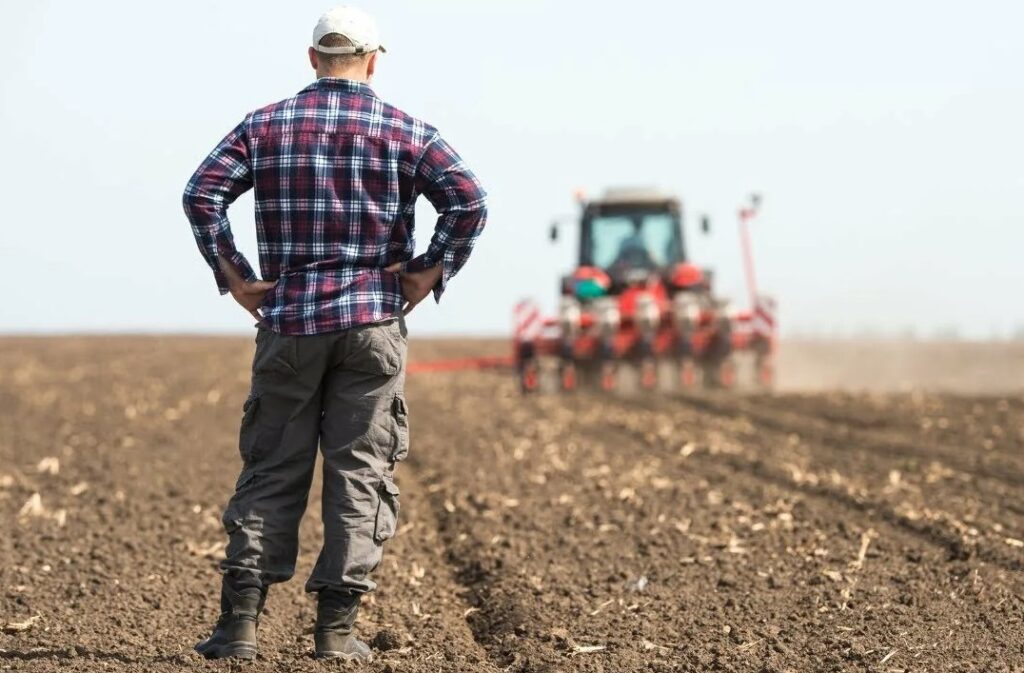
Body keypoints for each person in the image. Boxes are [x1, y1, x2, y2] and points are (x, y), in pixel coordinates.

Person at [181, 6, 487, 662]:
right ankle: (337, 632)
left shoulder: (264, 126)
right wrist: (430, 269)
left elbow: (201, 193)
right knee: (361, 471)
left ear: (312, 57)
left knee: (272, 467)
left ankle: (239, 628)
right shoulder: (408, 132)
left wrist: (235, 275)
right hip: (373, 324)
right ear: (374, 60)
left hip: (289, 321)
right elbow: (469, 201)